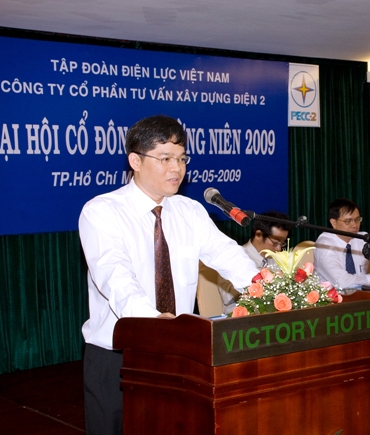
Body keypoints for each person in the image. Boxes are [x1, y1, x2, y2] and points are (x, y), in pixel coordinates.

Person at [78, 114, 258, 435]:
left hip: (179, 350)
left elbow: (229, 257)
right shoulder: (102, 211)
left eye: (181, 158)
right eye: (165, 159)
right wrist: (156, 324)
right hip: (118, 356)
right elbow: (116, 279)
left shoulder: (190, 211)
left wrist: (268, 289)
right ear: (135, 161)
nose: (176, 168)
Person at [217, 211, 291, 313]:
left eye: (282, 243)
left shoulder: (277, 259)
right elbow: (228, 297)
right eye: (275, 243)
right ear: (258, 235)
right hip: (241, 316)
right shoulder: (234, 258)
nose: (278, 249)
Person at [315, 198, 370, 289]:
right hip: (331, 296)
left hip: (360, 294)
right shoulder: (324, 244)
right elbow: (342, 282)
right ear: (334, 222)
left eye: (357, 219)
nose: (354, 225)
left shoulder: (361, 238)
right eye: (348, 221)